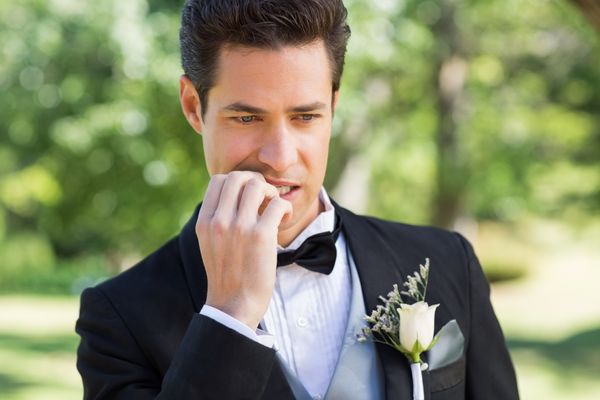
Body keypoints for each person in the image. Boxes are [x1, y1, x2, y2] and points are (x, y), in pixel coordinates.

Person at [75, 0, 519, 399]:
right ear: (194, 107)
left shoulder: (447, 262)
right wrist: (230, 315)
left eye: (305, 116)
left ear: (334, 105)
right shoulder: (119, 317)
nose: (280, 157)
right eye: (247, 117)